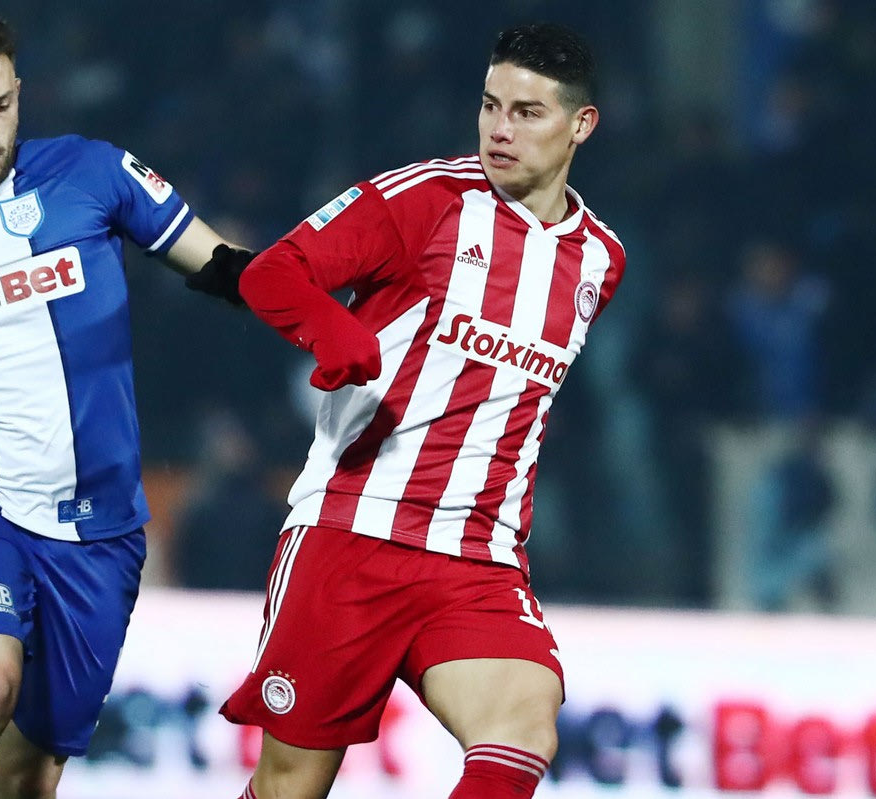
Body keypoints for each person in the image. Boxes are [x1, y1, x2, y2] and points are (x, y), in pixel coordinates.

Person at [220, 23, 625, 799]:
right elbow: (273, 272)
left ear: (581, 125)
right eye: (490, 105)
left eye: (527, 112)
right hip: (352, 534)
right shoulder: (425, 200)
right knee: (290, 785)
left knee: (524, 725)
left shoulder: (601, 260)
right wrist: (334, 332)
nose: (500, 128)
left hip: (478, 556)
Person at [0, 9, 252, 799]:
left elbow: (221, 266)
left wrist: (326, 289)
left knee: (28, 776)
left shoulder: (91, 173)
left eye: (1, 104)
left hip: (100, 526)